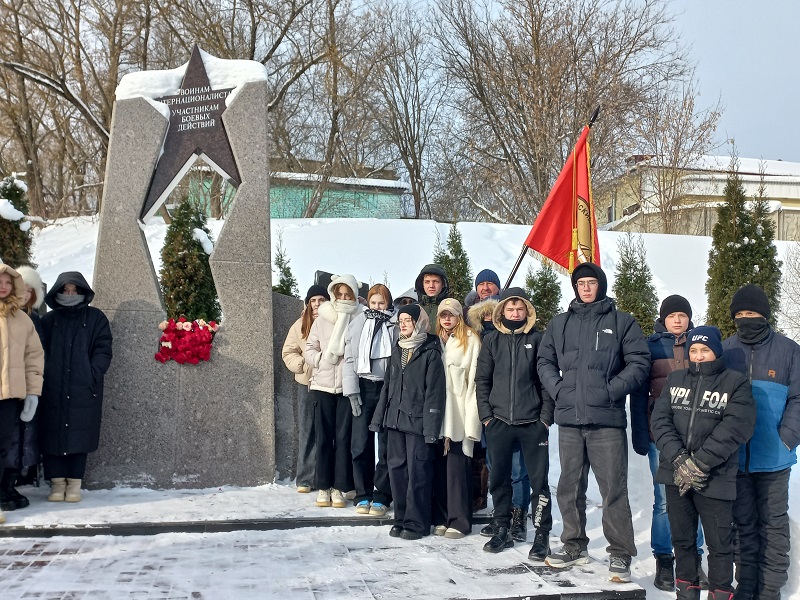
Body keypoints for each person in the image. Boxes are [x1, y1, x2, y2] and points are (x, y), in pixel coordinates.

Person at [537, 262, 649, 582]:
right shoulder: (559, 324)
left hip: (607, 420)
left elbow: (639, 363)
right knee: (569, 487)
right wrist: (559, 390)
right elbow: (544, 361)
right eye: (580, 283)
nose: (585, 288)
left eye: (591, 283)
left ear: (601, 285)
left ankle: (620, 553)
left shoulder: (622, 322)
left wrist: (611, 391)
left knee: (613, 488)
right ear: (575, 287)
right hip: (570, 419)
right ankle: (574, 545)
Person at [651, 326, 755, 600]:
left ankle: (720, 592)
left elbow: (737, 427)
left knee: (719, 545)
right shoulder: (675, 380)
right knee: (682, 542)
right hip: (676, 476)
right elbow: (660, 421)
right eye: (693, 351)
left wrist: (699, 464)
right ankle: (686, 594)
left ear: (716, 352)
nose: (698, 356)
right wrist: (680, 459)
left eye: (705, 350)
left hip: (715, 478)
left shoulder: (735, 383)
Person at [721, 284, 800, 600]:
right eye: (739, 314)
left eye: (751, 313)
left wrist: (787, 439)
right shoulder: (725, 350)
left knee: (773, 528)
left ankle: (770, 591)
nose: (745, 319)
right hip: (735, 457)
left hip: (774, 459)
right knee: (742, 527)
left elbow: (798, 398)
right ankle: (747, 585)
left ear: (764, 315)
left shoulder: (788, 350)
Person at [631, 295, 707, 591]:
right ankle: (664, 558)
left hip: (696, 436)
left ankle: (695, 558)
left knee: (697, 496)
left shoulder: (701, 346)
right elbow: (638, 395)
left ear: (689, 318)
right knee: (663, 499)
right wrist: (640, 433)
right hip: (659, 436)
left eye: (683, 315)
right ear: (663, 319)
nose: (677, 320)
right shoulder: (650, 347)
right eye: (672, 315)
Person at [475, 287, 553, 556]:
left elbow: (546, 382)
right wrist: (486, 416)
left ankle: (541, 535)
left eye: (520, 309)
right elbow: (482, 380)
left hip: (532, 423)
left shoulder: (538, 339)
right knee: (499, 479)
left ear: (527, 312)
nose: (515, 313)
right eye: (510, 309)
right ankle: (501, 528)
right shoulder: (491, 341)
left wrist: (544, 418)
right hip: (498, 423)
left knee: (538, 481)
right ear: (502, 311)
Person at [370, 304, 445, 540]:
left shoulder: (430, 351)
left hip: (418, 423)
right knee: (397, 472)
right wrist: (379, 418)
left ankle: (417, 523)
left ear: (419, 322)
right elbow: (388, 387)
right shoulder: (397, 349)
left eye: (408, 320)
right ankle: (401, 519)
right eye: (400, 320)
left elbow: (435, 392)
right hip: (395, 421)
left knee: (418, 473)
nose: (403, 324)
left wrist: (431, 429)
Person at [39, 272, 112, 503]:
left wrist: (93, 373)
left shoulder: (95, 318)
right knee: (52, 433)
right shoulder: (48, 321)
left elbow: (103, 348)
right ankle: (56, 483)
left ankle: (74, 484)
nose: (70, 294)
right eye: (66, 290)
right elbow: (38, 350)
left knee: (79, 434)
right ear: (58, 292)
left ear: (82, 291)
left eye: (75, 290)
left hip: (84, 388)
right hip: (53, 388)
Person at [304, 275, 361, 509]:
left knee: (345, 438)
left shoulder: (360, 317)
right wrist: (321, 360)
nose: (344, 299)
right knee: (324, 438)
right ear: (334, 294)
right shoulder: (322, 318)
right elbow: (309, 348)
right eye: (341, 295)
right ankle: (323, 486)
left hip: (348, 387)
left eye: (349, 295)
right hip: (322, 386)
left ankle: (339, 486)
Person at [343, 284, 396, 517]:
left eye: (381, 303)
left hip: (387, 388)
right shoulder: (357, 322)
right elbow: (349, 358)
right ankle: (363, 493)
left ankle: (383, 494)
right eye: (373, 302)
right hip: (363, 387)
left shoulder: (395, 324)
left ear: (388, 303)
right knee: (360, 444)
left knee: (386, 445)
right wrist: (351, 390)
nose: (377, 307)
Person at [433, 298, 482, 538]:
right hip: (437, 416)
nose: (447, 319)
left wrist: (473, 421)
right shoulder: (436, 341)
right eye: (443, 315)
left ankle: (460, 520)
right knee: (440, 469)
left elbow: (474, 383)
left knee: (458, 469)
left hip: (459, 416)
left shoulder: (470, 340)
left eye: (451, 314)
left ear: (459, 316)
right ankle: (443, 516)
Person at [0, 263, 44, 521]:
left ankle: (6, 489)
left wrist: (32, 393)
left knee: (10, 445)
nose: (3, 286)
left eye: (8, 282)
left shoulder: (23, 320)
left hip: (13, 395)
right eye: (0, 281)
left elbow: (34, 357)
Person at [281, 284, 329, 494]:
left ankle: (325, 477)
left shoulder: (334, 323)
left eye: (321, 300)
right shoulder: (299, 325)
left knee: (328, 431)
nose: (317, 304)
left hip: (330, 384)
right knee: (307, 430)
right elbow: (288, 351)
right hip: (307, 383)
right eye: (313, 301)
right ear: (308, 304)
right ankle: (306, 477)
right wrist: (303, 365)